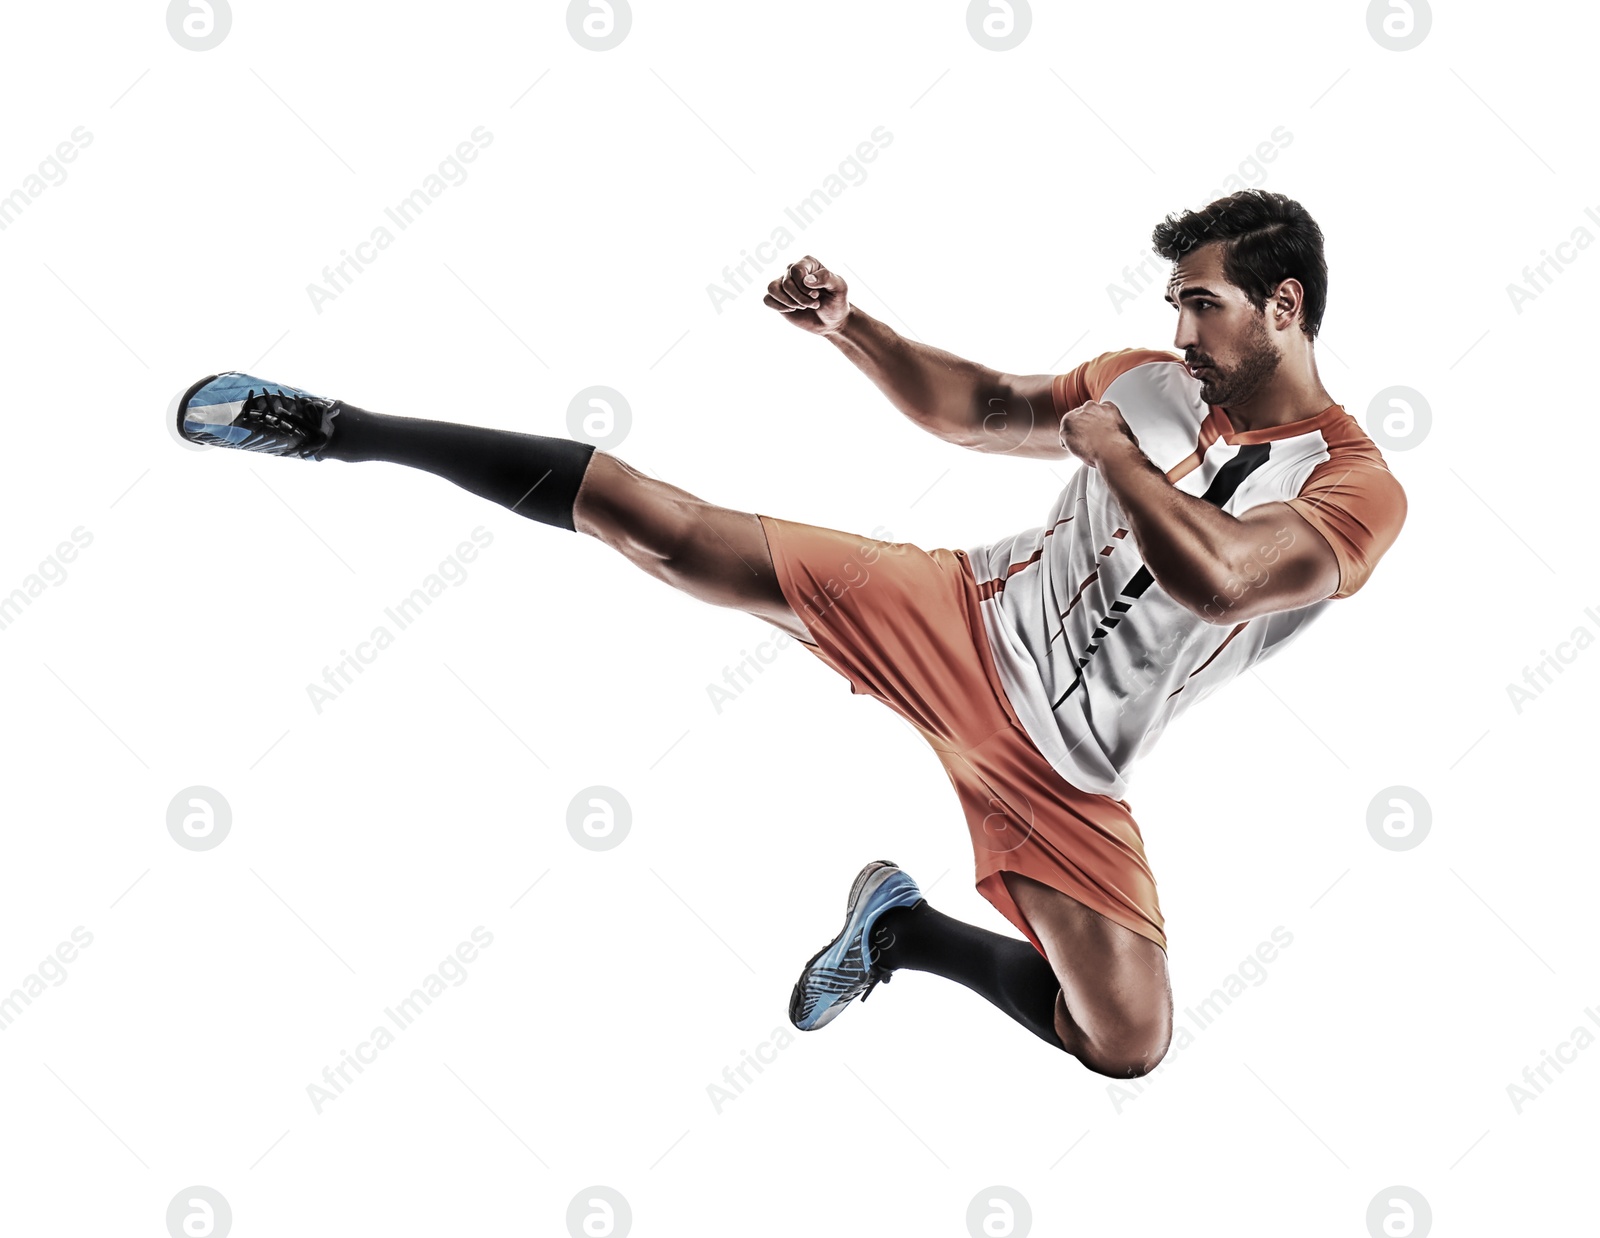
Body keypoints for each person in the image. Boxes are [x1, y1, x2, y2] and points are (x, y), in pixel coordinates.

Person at [173, 189, 1405, 1078]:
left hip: (1064, 770)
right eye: (1176, 306)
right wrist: (851, 328)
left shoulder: (1354, 486)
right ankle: (336, 425)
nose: (1182, 331)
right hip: (961, 616)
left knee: (1126, 1041)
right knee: (671, 531)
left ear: (1281, 305)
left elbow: (1225, 581)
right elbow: (977, 406)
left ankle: (902, 928)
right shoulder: (1143, 380)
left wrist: (1116, 460)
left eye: (1202, 304)